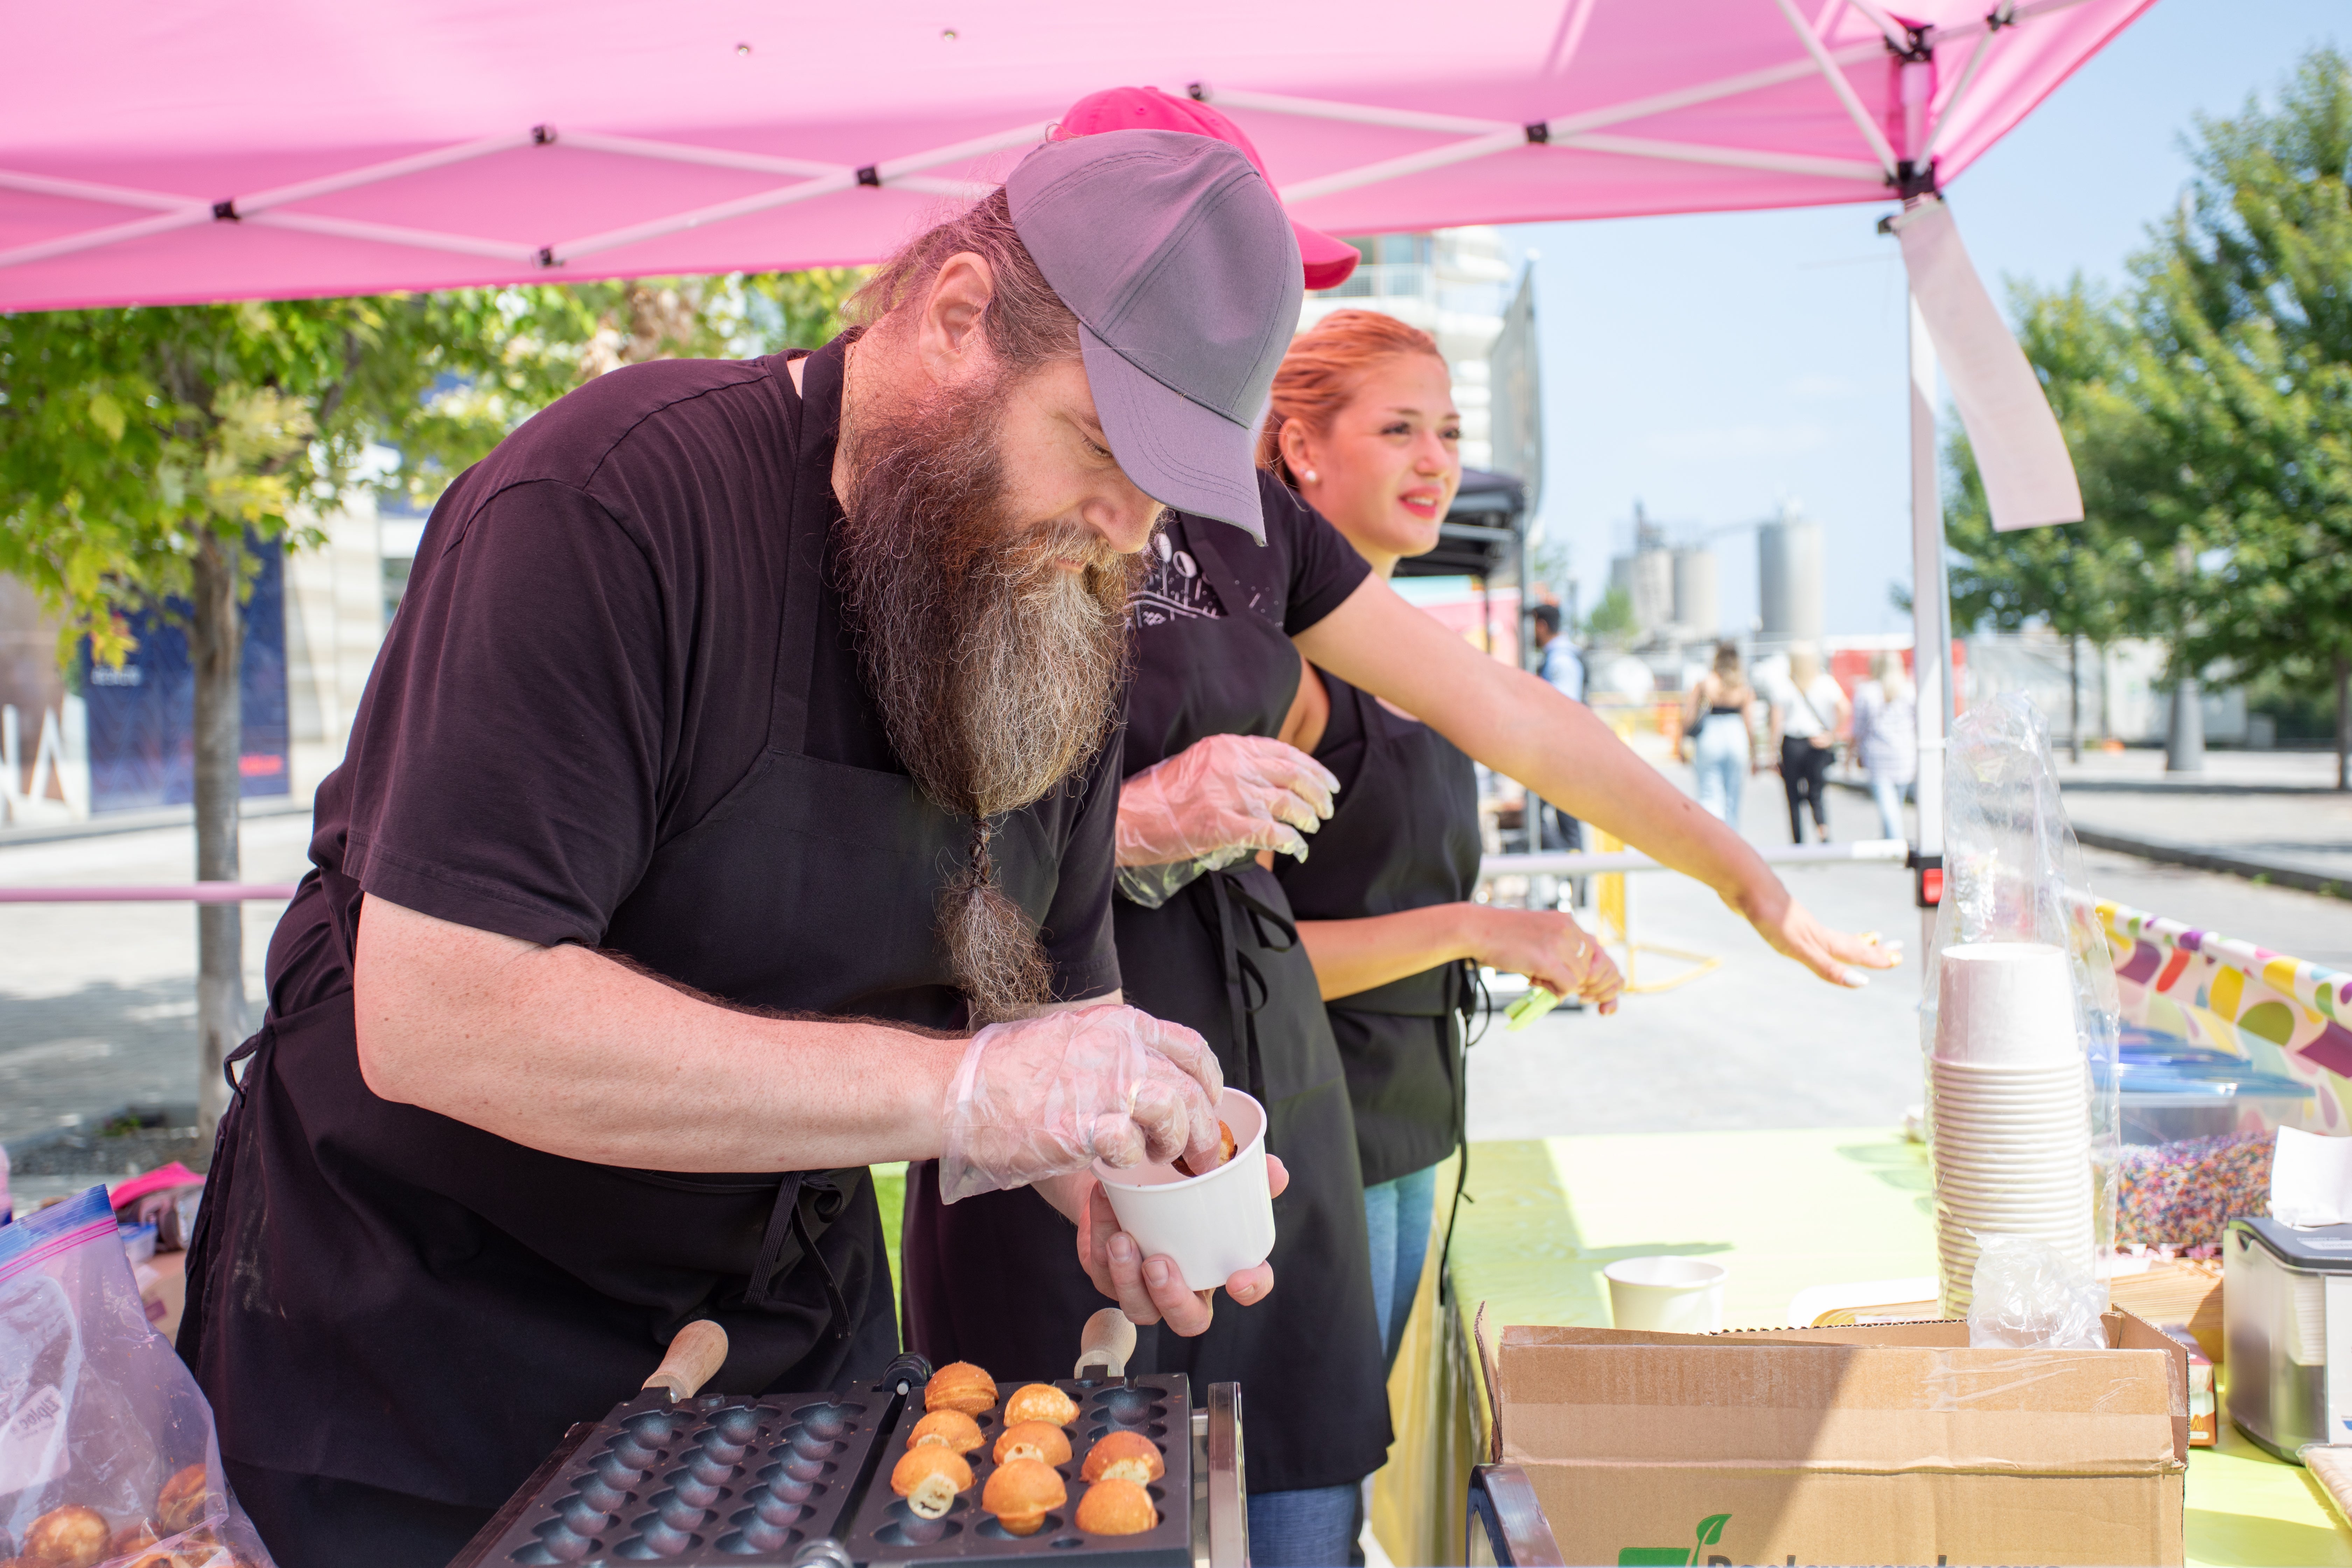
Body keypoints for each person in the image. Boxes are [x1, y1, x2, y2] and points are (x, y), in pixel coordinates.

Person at [177, 130, 1300, 1567]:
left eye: (1166, 497)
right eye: (1101, 450)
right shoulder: (609, 510)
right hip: (428, 1361)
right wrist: (964, 1093)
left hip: (782, 1372)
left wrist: (1114, 1168)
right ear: (959, 318)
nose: (1121, 534)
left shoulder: (1056, 617)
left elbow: (1045, 1019)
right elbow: (443, 1011)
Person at [905, 88, 1896, 1568]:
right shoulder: (967, 475)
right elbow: (900, 826)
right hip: (1051, 1084)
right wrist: (1143, 811)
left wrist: (1738, 871)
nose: (1240, 339)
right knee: (1057, 1495)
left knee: (1301, 1489)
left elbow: (1502, 707)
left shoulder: (1248, 517)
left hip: (1265, 1086)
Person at [1266, 312, 1625, 1382]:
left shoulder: (1418, 660)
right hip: (1306, 1126)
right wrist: (1477, 927)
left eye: (1451, 432)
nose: (1436, 461)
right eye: (1399, 430)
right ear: (1300, 448)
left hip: (1410, 1115)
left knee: (1352, 1454)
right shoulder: (1281, 671)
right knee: (1306, 1488)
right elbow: (1231, 948)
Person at [1768, 641, 1848, 844]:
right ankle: (1824, 834)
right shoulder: (1825, 682)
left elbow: (1776, 723)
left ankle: (1798, 843)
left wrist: (1772, 753)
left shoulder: (1785, 685)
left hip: (1793, 744)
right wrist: (1832, 735)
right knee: (1817, 793)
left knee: (1793, 797)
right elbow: (1845, 709)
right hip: (1817, 743)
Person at [1528, 603, 1587, 855]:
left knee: (1547, 819)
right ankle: (1570, 881)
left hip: (1562, 753)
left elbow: (1564, 711)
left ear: (1541, 626)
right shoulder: (1561, 657)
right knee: (1558, 819)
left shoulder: (1561, 660)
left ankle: (1571, 875)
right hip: (1563, 752)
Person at [1682, 641, 1758, 831]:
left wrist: (1681, 742)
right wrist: (1755, 752)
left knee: (1709, 793)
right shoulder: (1743, 686)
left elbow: (1689, 716)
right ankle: (1731, 843)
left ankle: (1712, 840)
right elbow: (1750, 723)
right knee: (1732, 798)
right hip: (1736, 733)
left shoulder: (1706, 682)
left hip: (1711, 734)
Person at [1851, 650, 1919, 840]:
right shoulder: (1910, 689)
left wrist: (1852, 754)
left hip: (1878, 755)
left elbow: (1858, 729)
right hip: (1906, 755)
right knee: (1895, 804)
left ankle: (1894, 844)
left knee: (1888, 807)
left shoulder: (1867, 691)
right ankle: (1890, 842)